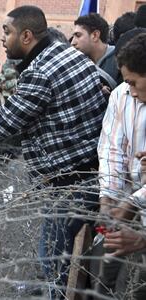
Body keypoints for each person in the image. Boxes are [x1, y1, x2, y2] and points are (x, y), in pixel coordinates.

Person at [0, 5, 106, 292]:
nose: (2, 39)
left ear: (26, 36)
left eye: (7, 32)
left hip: (68, 183)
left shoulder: (40, 73)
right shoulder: (68, 54)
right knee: (60, 260)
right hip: (86, 172)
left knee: (53, 262)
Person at [94, 32, 146, 299]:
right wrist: (109, 198)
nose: (132, 92)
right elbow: (112, 149)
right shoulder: (122, 95)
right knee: (107, 265)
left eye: (135, 83)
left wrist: (133, 203)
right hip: (130, 192)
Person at [71, 13, 120, 88]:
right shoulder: (78, 62)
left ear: (95, 35)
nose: (73, 42)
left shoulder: (119, 59)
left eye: (78, 35)